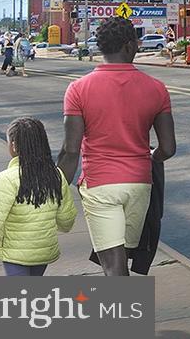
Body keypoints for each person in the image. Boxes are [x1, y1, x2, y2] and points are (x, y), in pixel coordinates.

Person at [58, 17, 175, 277]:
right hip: (139, 185)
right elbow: (167, 148)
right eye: (136, 40)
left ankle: (122, 316)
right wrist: (149, 157)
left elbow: (70, 150)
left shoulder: (78, 89)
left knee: (113, 264)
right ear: (128, 46)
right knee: (121, 258)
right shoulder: (156, 89)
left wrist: (56, 191)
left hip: (100, 185)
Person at [0, 117, 76, 276]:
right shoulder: (56, 175)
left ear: (14, 145)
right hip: (43, 252)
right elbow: (67, 220)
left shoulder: (7, 179)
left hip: (15, 254)